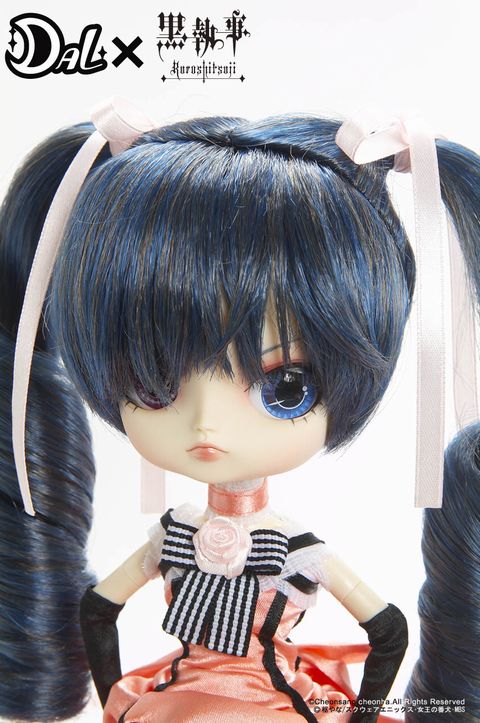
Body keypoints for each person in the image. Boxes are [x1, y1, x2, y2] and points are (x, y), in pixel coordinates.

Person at [0, 101, 478, 722]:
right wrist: (116, 699)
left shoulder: (297, 553)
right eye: (152, 382)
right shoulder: (174, 537)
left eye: (285, 387)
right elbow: (97, 609)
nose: (206, 424)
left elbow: (388, 630)